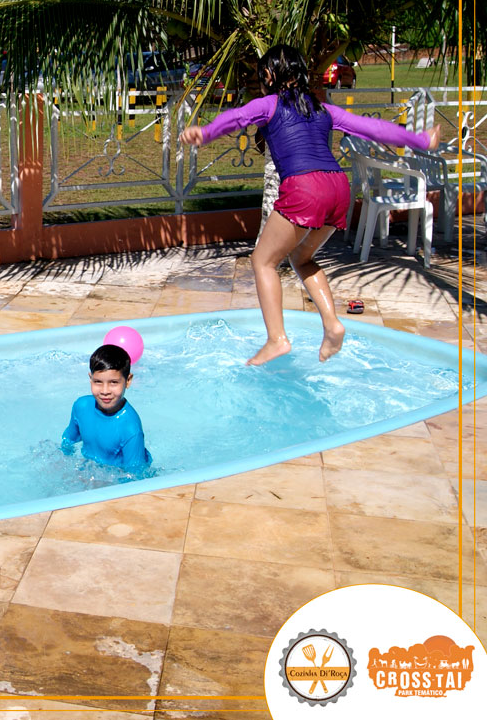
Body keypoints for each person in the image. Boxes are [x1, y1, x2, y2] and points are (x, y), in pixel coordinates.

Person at [179, 44, 440, 366]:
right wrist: (421, 140)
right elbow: (373, 128)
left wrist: (206, 132)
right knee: (301, 258)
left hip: (305, 187)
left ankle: (277, 339)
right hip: (338, 188)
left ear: (269, 75)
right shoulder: (322, 109)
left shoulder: (269, 104)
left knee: (263, 261)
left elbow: (237, 117)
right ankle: (332, 324)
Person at [61, 344, 150, 473]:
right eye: (98, 382)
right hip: (88, 470)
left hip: (114, 476)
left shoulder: (130, 429)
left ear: (128, 381)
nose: (105, 391)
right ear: (90, 379)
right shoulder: (81, 406)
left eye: (113, 382)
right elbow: (68, 441)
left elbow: (135, 475)